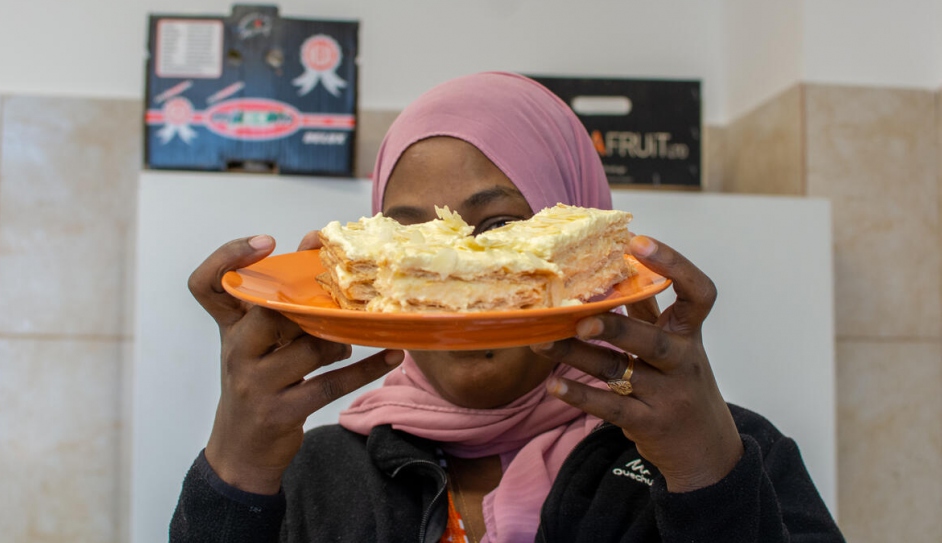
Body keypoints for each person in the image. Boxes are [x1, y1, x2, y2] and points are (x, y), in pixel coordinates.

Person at [170, 72, 845, 542]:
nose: (453, 275)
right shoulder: (314, 471)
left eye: (497, 229)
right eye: (411, 237)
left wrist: (705, 476)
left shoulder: (729, 447)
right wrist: (238, 469)